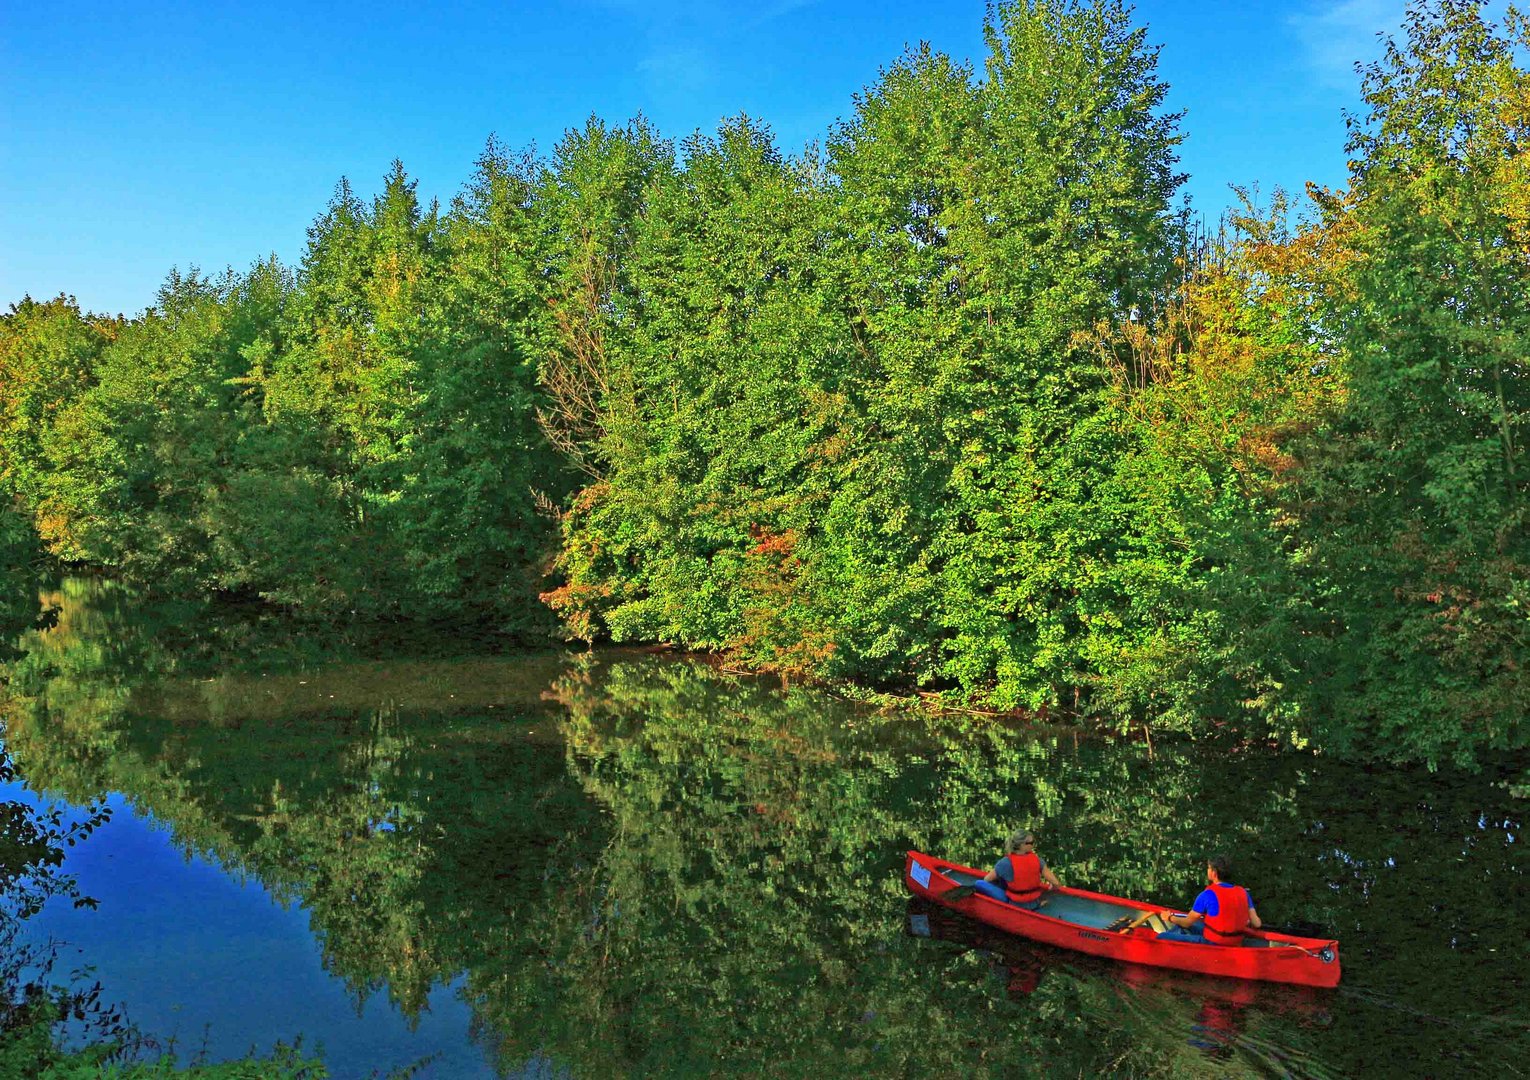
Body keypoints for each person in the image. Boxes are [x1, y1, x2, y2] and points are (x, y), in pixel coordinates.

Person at [1120, 855, 1262, 945]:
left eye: (1208, 868)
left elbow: (1187, 922)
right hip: (1236, 941)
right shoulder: (1243, 892)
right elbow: (1257, 923)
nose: (1207, 871)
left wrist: (1169, 917)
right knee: (1182, 928)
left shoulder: (1207, 894)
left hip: (1213, 943)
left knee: (1162, 936)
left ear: (1214, 873)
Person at [973, 829, 1063, 910]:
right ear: (1021, 845)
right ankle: (1037, 905)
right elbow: (1056, 884)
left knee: (979, 883)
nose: (1033, 845)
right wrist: (1051, 888)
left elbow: (987, 879)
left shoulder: (1005, 863)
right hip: (1034, 902)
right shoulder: (1037, 860)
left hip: (1015, 904)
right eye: (1031, 843)